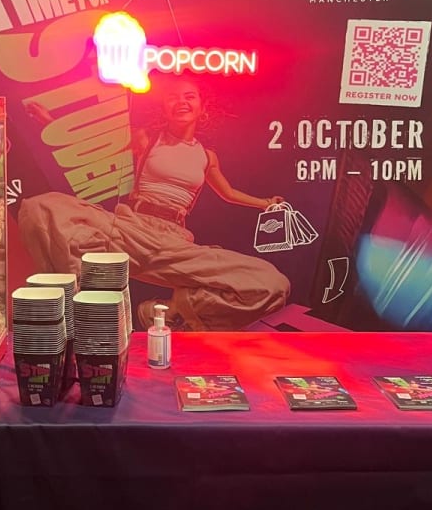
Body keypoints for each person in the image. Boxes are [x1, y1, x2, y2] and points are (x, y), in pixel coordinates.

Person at [18, 75, 290, 331]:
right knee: (40, 207)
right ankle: (78, 307)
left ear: (202, 107)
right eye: (173, 97)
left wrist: (265, 203)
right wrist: (51, 122)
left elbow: (228, 192)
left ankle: (174, 313)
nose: (181, 101)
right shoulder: (147, 138)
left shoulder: (207, 157)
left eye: (189, 96)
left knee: (271, 284)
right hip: (130, 231)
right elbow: (92, 143)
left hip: (174, 244)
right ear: (164, 107)